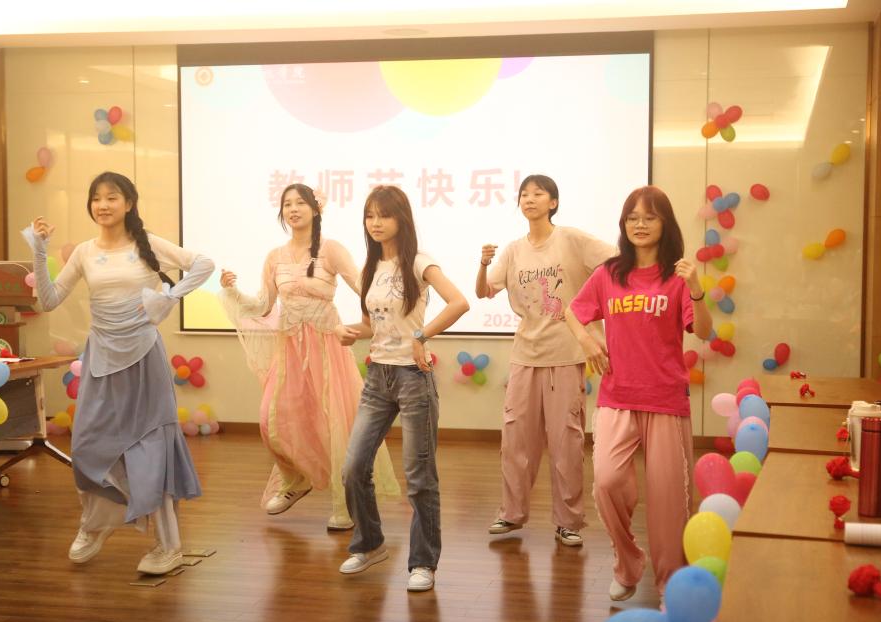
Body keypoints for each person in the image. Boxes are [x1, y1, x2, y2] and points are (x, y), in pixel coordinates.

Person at [25, 171, 214, 574]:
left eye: (112, 197)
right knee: (87, 445)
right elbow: (48, 300)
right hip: (102, 357)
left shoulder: (148, 244)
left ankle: (168, 546)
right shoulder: (84, 252)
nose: (103, 205)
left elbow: (203, 264)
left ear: (129, 203)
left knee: (151, 448)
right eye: (97, 198)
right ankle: (97, 525)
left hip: (143, 356)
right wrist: (40, 252)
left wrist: (169, 296)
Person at [219, 183, 398, 530]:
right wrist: (233, 291)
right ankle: (296, 479)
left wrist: (377, 318)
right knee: (270, 421)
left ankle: (345, 502)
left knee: (335, 425)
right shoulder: (275, 257)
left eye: (300, 202)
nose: (293, 209)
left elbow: (364, 287)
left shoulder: (331, 249)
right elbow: (263, 305)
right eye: (287, 204)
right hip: (290, 350)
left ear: (315, 209)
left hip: (327, 347)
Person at [567, 185, 712, 602]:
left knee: (669, 502)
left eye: (650, 217)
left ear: (665, 224)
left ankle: (670, 585)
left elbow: (703, 331)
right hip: (618, 395)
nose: (640, 225)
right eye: (632, 218)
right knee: (607, 481)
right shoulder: (609, 274)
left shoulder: (677, 276)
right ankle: (628, 562)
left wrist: (696, 287)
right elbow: (573, 312)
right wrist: (587, 340)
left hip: (665, 399)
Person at [336, 185, 469, 593]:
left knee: (419, 476)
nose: (375, 223)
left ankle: (423, 562)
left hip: (413, 377)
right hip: (377, 377)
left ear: (401, 219)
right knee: (354, 468)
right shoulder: (369, 268)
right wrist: (347, 332)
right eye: (369, 215)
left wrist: (421, 335)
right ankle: (370, 544)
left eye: (384, 215)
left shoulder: (419, 262)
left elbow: (459, 302)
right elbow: (370, 326)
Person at [476, 174, 616, 547]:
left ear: (553, 202)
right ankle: (511, 513)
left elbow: (617, 261)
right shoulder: (513, 250)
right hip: (525, 354)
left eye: (538, 193)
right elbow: (485, 291)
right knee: (515, 438)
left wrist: (594, 308)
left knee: (566, 440)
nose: (529, 199)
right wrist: (482, 263)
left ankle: (568, 521)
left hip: (565, 354)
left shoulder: (571, 239)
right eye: (524, 194)